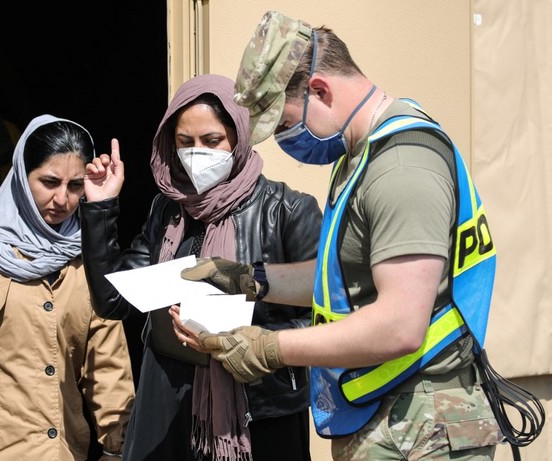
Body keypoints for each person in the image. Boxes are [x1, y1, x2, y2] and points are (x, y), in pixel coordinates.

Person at [179, 11, 505, 461]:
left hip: (423, 424)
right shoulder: (363, 154)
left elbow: (400, 324)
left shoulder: (401, 167)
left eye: (285, 124)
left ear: (319, 90)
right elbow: (341, 279)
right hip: (392, 414)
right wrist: (250, 278)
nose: (287, 141)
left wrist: (269, 348)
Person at [80, 74, 322, 461]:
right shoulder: (168, 208)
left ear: (238, 137)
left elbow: (325, 319)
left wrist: (253, 341)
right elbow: (113, 299)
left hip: (258, 415)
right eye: (185, 142)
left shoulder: (287, 210)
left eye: (211, 141)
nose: (197, 153)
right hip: (170, 407)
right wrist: (100, 207)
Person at [0, 115, 134, 461]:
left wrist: (116, 449)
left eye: (75, 186)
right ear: (21, 174)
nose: (62, 199)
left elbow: (108, 365)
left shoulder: (89, 260)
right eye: (49, 182)